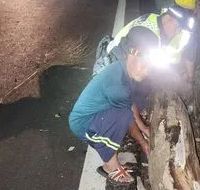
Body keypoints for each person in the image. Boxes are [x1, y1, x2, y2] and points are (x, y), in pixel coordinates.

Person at [68, 27, 158, 185]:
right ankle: (110, 166)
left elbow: (130, 103)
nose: (147, 71)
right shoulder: (118, 86)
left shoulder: (123, 69)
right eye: (145, 65)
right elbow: (128, 117)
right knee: (123, 118)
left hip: (97, 112)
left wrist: (144, 128)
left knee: (132, 106)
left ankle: (109, 147)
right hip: (83, 123)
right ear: (133, 53)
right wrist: (144, 144)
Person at [92, 0, 199, 92]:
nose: (177, 32)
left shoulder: (157, 16)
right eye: (177, 28)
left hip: (115, 59)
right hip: (111, 69)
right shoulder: (148, 37)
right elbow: (135, 71)